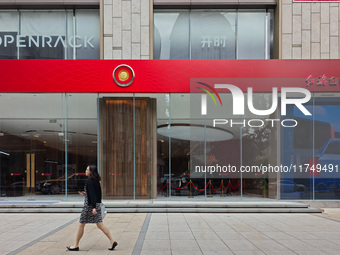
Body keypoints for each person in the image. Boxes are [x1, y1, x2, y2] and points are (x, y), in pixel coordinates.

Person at [67, 165, 118, 251]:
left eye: (87, 169)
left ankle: (76, 245)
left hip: (89, 206)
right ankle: (112, 241)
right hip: (95, 204)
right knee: (100, 224)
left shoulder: (90, 181)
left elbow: (93, 195)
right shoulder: (96, 181)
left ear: (91, 171)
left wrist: (93, 208)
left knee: (81, 224)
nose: (85, 171)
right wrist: (86, 194)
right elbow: (95, 194)